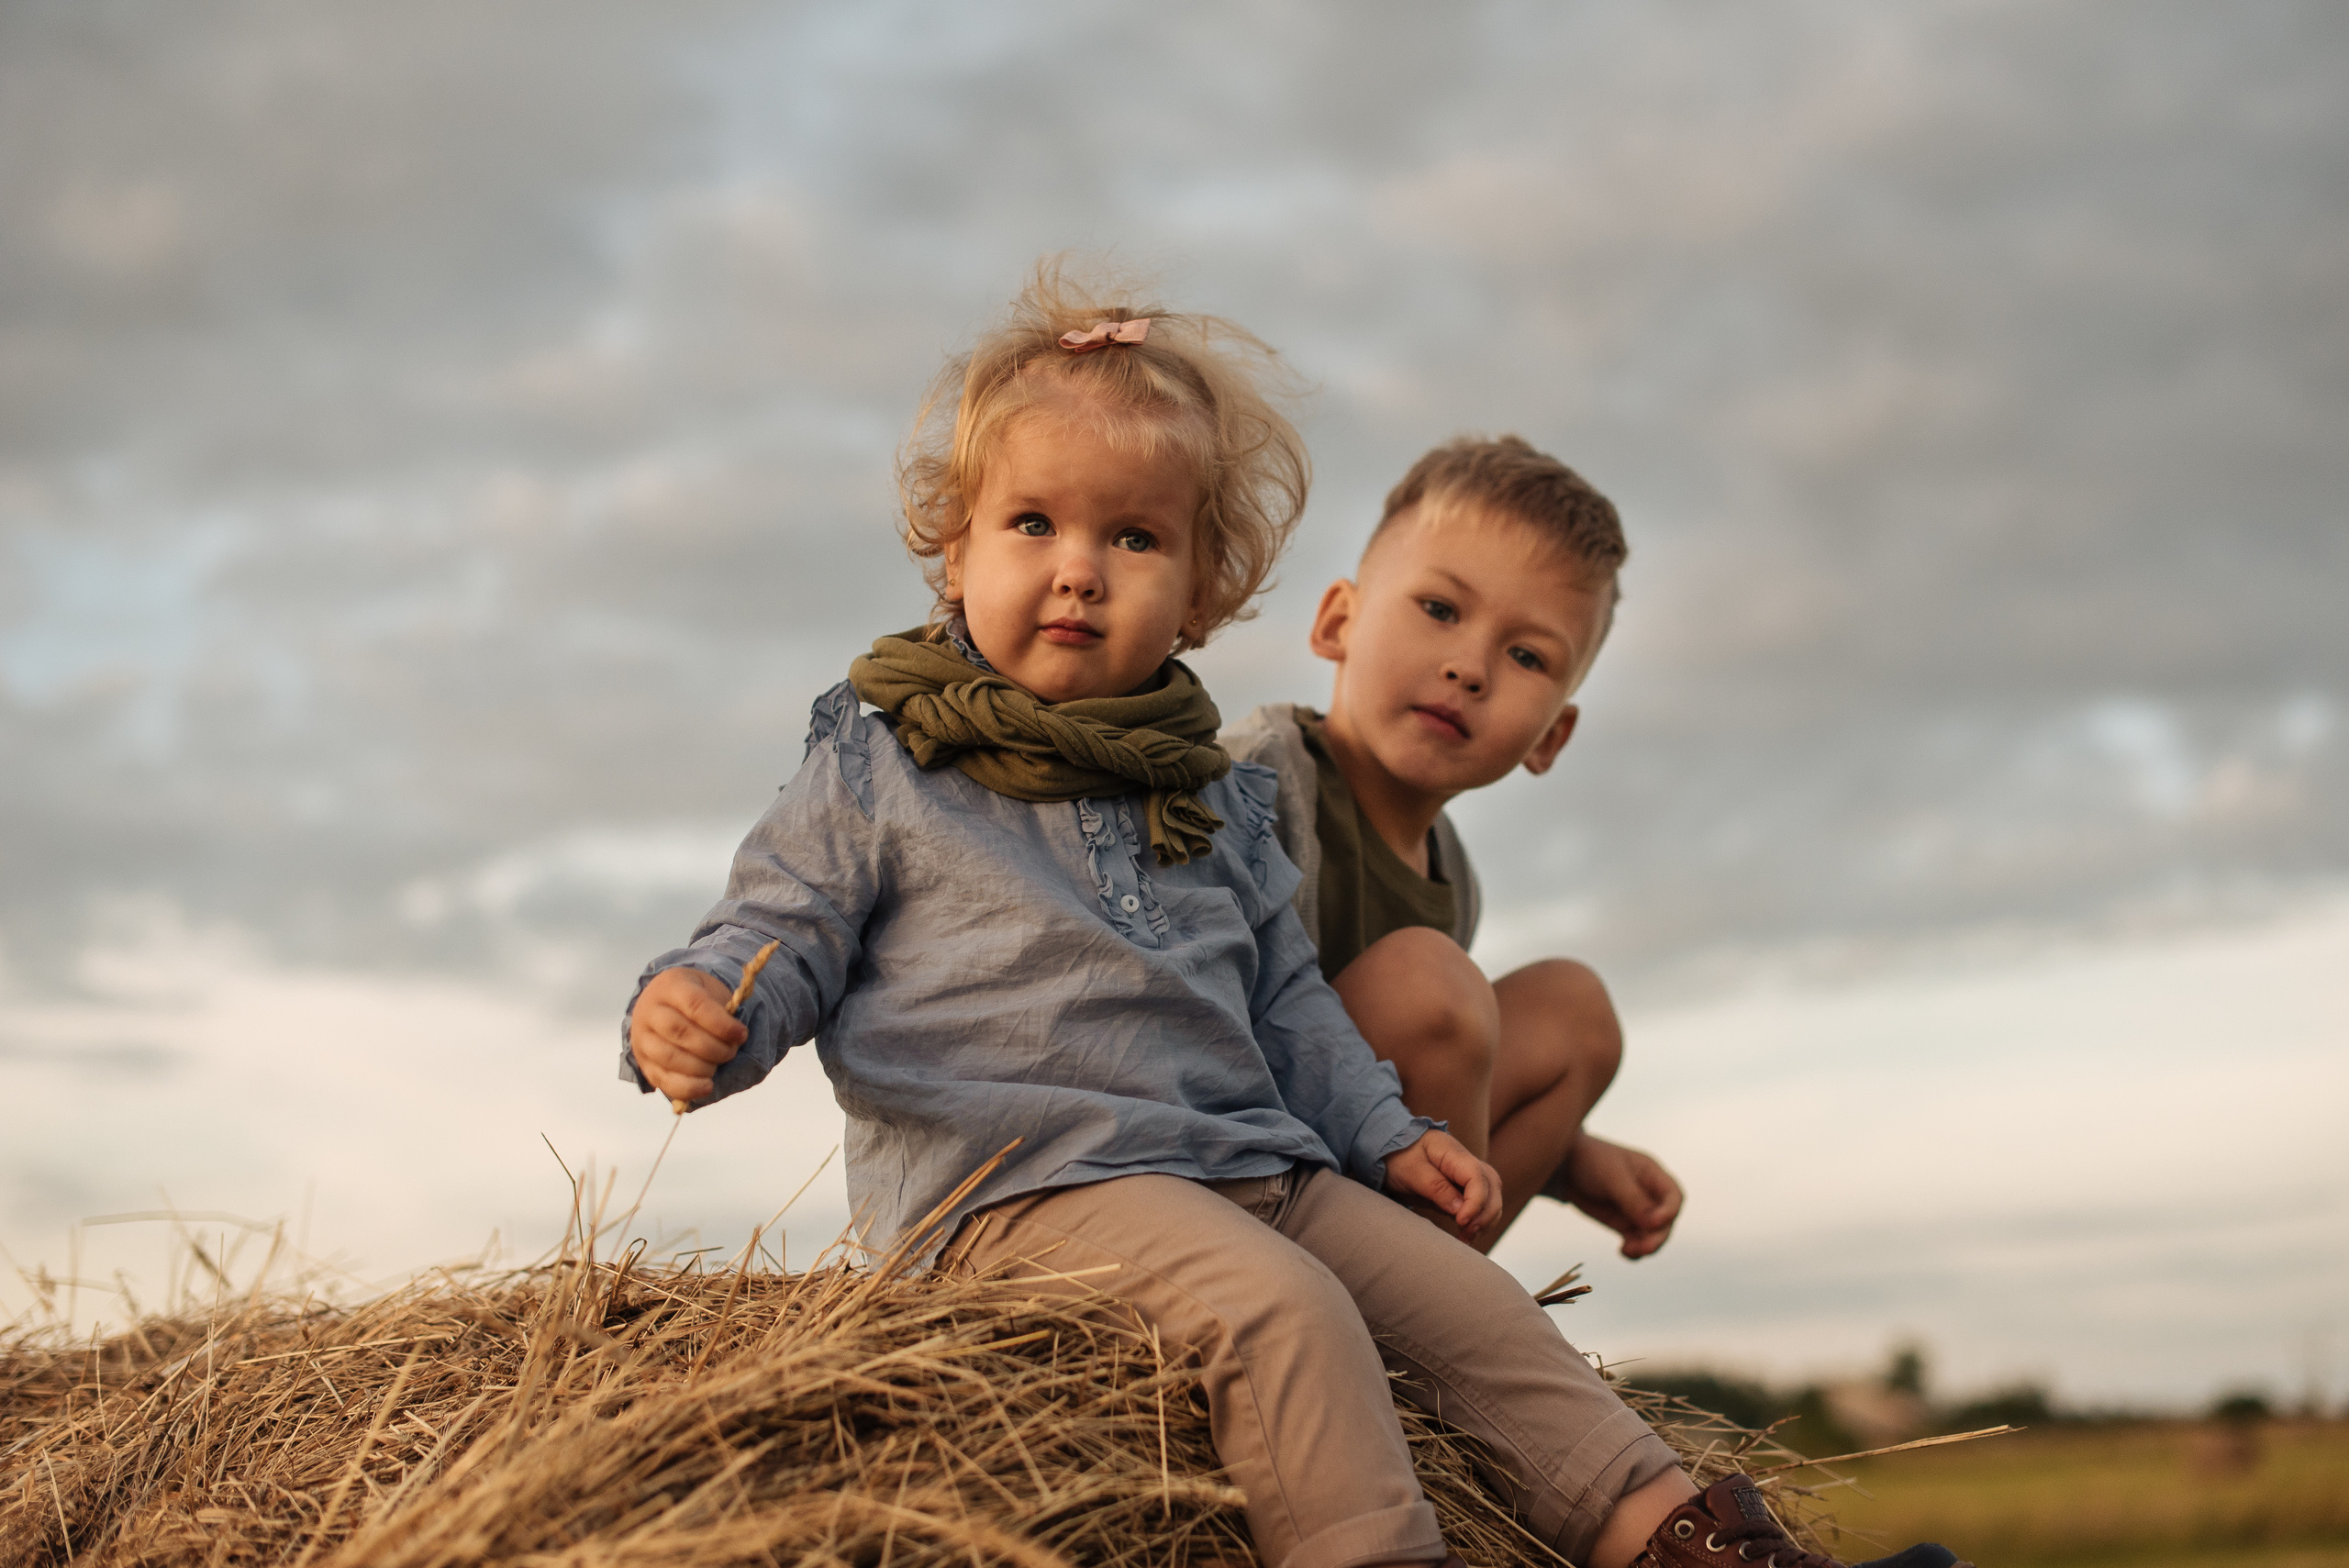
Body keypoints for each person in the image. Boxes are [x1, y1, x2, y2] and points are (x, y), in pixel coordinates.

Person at [620, 263, 1965, 1568]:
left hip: (1247, 1164)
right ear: (952, 544)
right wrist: (706, 1009)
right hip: (1018, 1186)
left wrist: (1388, 1132)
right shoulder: (882, 759)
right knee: (1286, 1312)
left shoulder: (1215, 794)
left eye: (1133, 538)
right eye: (1033, 524)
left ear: (1202, 590)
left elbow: (1287, 1001)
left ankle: (1693, 1544)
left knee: (1478, 1313)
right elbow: (784, 925)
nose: (1079, 569)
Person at [1223, 438, 1683, 1253]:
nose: (1470, 668)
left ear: (1551, 736)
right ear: (1338, 623)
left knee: (1576, 1011)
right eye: (1440, 609)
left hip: (1359, 1172)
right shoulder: (1252, 784)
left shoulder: (1453, 876)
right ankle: (1444, 1311)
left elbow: (1430, 1076)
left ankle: (1417, 1304)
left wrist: (1566, 1161)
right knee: (1429, 983)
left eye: (1526, 655)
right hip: (1234, 1165)